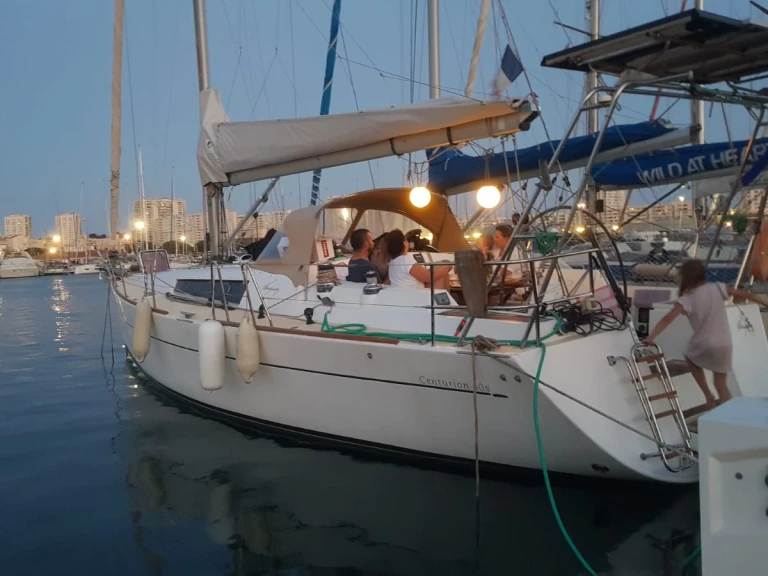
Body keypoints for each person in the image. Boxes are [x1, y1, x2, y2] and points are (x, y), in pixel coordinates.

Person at [644, 259, 764, 409]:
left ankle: (707, 394)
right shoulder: (718, 288)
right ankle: (731, 415)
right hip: (724, 343)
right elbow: (746, 295)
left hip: (704, 342)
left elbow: (667, 319)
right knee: (721, 385)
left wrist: (651, 337)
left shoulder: (686, 299)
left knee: (690, 357)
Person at [385, 229, 451, 289]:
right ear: (404, 243)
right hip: (415, 295)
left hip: (402, 294)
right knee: (441, 275)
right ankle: (447, 297)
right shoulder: (405, 260)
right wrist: (447, 267)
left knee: (437, 269)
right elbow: (428, 277)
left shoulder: (392, 263)